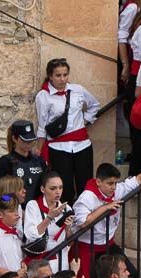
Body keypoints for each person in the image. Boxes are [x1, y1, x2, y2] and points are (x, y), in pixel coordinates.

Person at [72, 160, 141, 278]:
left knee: (132, 274)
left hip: (108, 245)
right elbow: (82, 223)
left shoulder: (118, 190)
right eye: (110, 183)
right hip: (87, 247)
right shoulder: (87, 197)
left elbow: (140, 179)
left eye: (115, 183)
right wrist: (105, 207)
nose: (113, 187)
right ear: (98, 182)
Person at [35, 58, 100, 203]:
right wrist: (39, 150)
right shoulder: (43, 96)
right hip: (59, 148)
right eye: (58, 75)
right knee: (65, 188)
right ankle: (66, 220)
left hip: (82, 145)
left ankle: (85, 217)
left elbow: (94, 105)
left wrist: (84, 121)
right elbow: (42, 126)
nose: (62, 79)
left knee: (86, 185)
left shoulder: (78, 90)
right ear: (50, 76)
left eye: (65, 75)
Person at [0, 119, 49, 202]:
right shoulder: (5, 162)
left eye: (31, 140)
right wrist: (12, 201)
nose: (29, 143)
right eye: (25, 140)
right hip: (15, 209)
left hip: (37, 210)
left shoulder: (39, 161)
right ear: (15, 139)